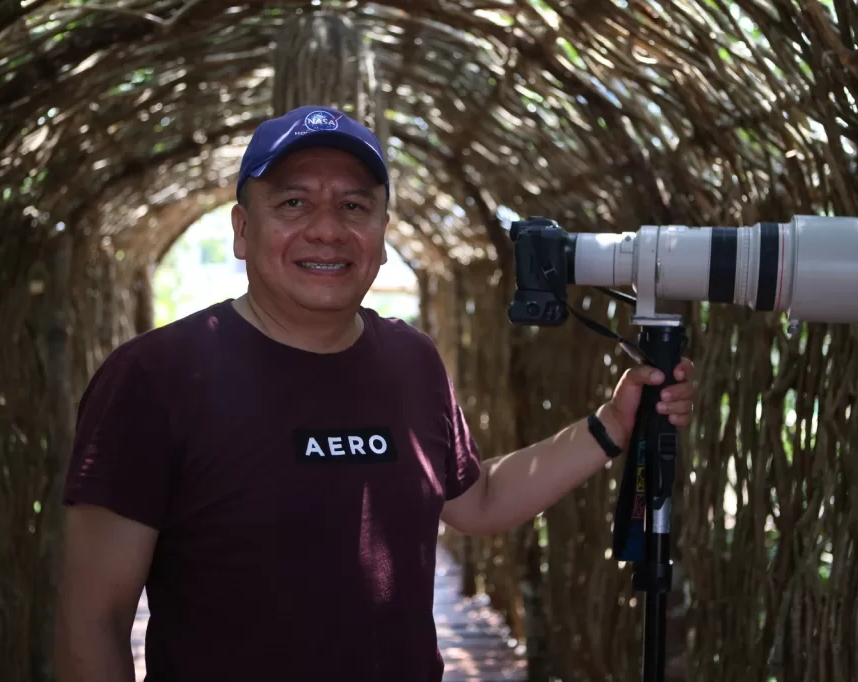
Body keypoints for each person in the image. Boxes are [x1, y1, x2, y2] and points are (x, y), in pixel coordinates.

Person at [54, 104, 696, 682]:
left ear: (383, 234)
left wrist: (612, 423)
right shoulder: (156, 377)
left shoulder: (409, 359)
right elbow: (93, 620)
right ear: (242, 230)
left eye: (354, 206)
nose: (327, 230)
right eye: (293, 204)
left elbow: (479, 500)